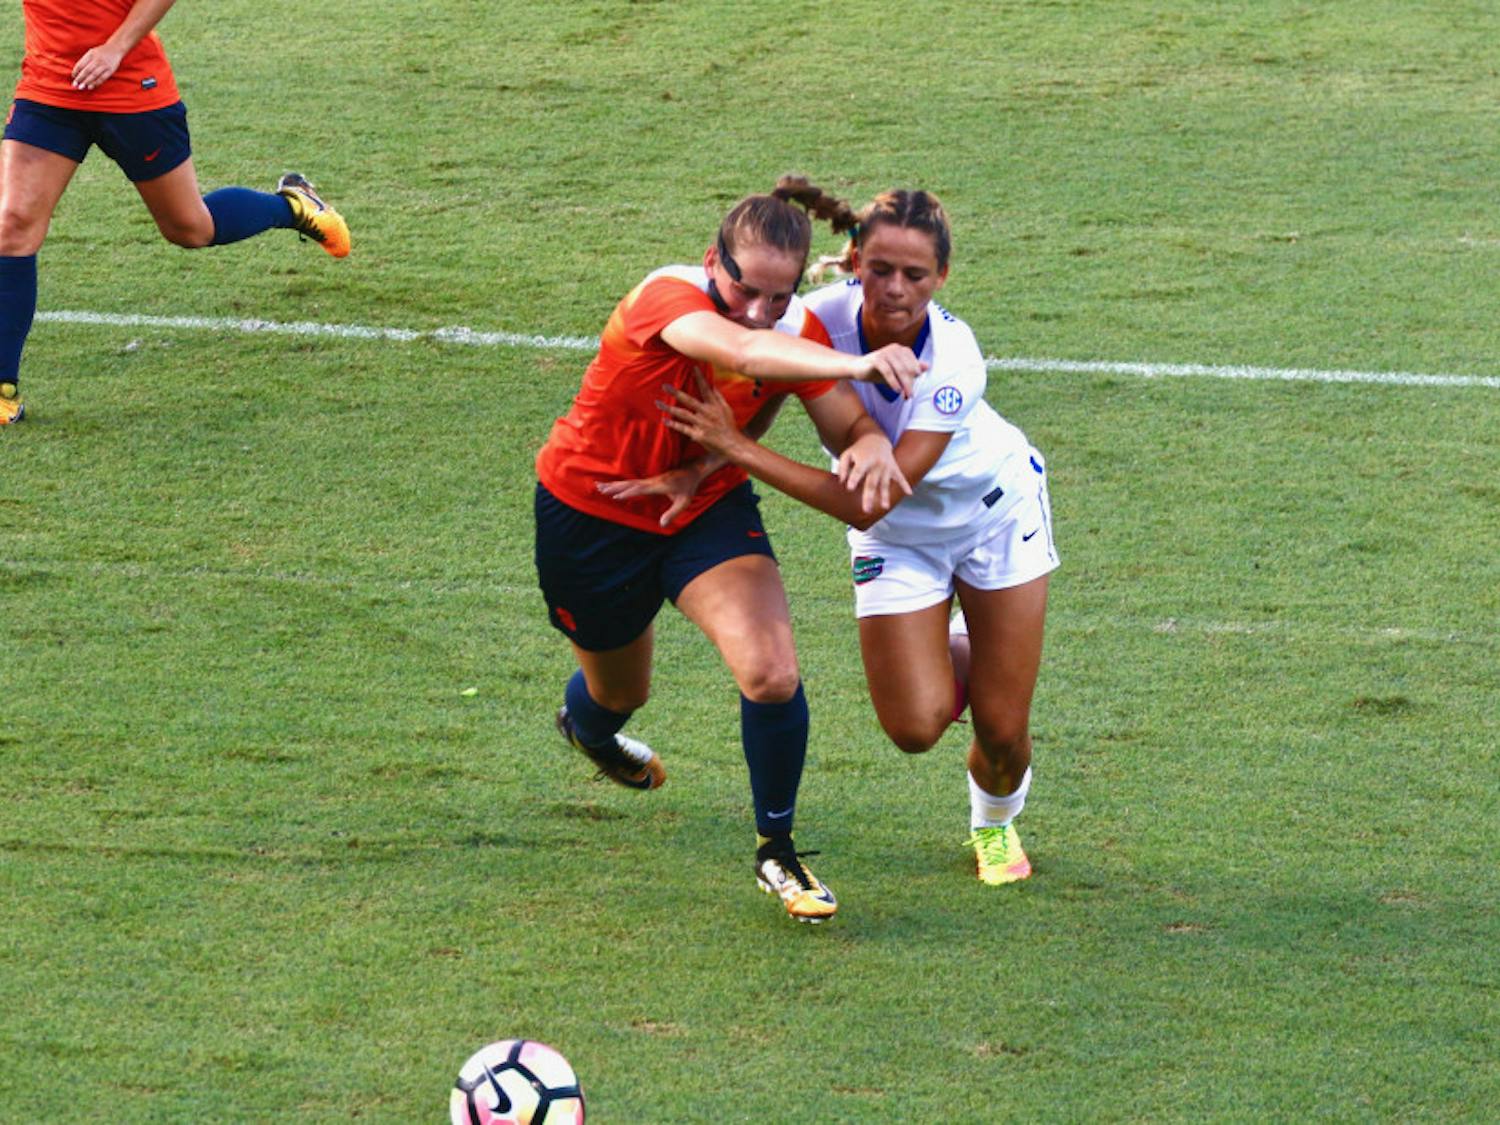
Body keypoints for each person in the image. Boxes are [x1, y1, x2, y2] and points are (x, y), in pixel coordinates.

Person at [534, 175, 924, 923]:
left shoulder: (794, 326)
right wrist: (859, 363)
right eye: (746, 288)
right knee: (620, 693)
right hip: (593, 513)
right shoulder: (666, 298)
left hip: (704, 510)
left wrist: (870, 439)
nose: (762, 309)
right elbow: (745, 348)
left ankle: (777, 848)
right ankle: (587, 726)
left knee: (771, 672)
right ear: (711, 260)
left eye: (780, 298)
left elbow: (839, 420)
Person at [660, 188, 1058, 886]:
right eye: (879, 269)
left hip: (995, 517)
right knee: (914, 726)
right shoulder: (813, 322)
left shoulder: (955, 356)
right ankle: (977, 644)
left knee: (1001, 730)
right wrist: (706, 463)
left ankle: (993, 825)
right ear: (853, 262)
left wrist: (739, 452)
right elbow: (764, 400)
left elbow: (874, 499)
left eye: (916, 275)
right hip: (901, 541)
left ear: (942, 279)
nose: (896, 289)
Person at [0, 0, 351, 425]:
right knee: (13, 226)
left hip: (131, 86)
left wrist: (114, 48)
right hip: (50, 88)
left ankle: (293, 206)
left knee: (190, 227)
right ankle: (3, 390)